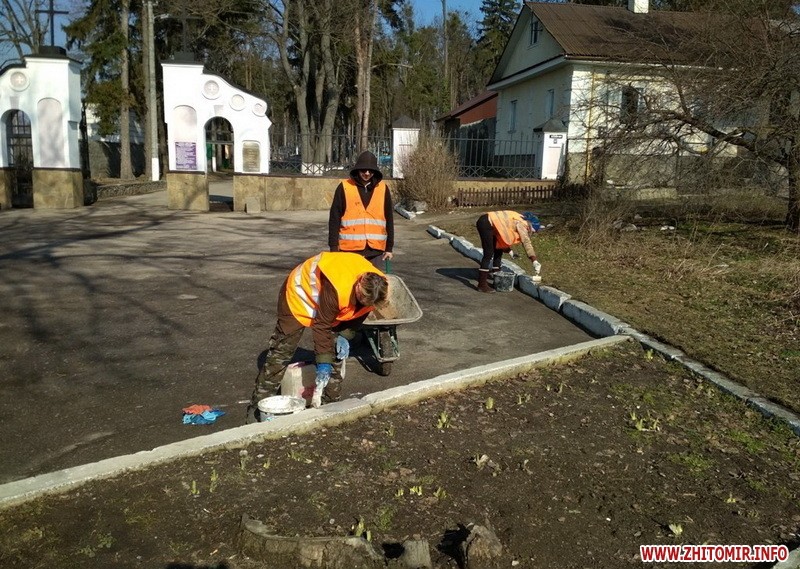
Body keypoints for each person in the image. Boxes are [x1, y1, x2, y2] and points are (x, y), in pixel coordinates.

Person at [247, 252, 389, 422]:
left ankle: (331, 407)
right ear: (359, 284)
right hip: (299, 296)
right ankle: (258, 411)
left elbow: (360, 313)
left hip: (334, 304)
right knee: (281, 353)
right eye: (361, 298)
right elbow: (321, 326)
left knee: (335, 353)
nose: (365, 304)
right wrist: (323, 363)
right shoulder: (338, 287)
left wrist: (345, 335)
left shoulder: (378, 290)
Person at [328, 150, 395, 264]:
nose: (367, 173)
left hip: (376, 251)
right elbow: (334, 219)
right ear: (358, 170)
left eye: (371, 171)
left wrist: (389, 248)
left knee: (373, 276)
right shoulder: (344, 187)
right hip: (349, 250)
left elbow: (389, 219)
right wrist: (333, 247)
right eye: (364, 170)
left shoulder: (383, 189)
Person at [475, 210, 541, 293]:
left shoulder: (518, 218)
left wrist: (510, 252)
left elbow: (502, 238)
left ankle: (497, 278)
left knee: (498, 249)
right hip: (486, 223)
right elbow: (526, 242)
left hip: (488, 222)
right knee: (488, 253)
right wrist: (534, 260)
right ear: (531, 227)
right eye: (533, 231)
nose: (531, 233)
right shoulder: (523, 225)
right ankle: (482, 285)